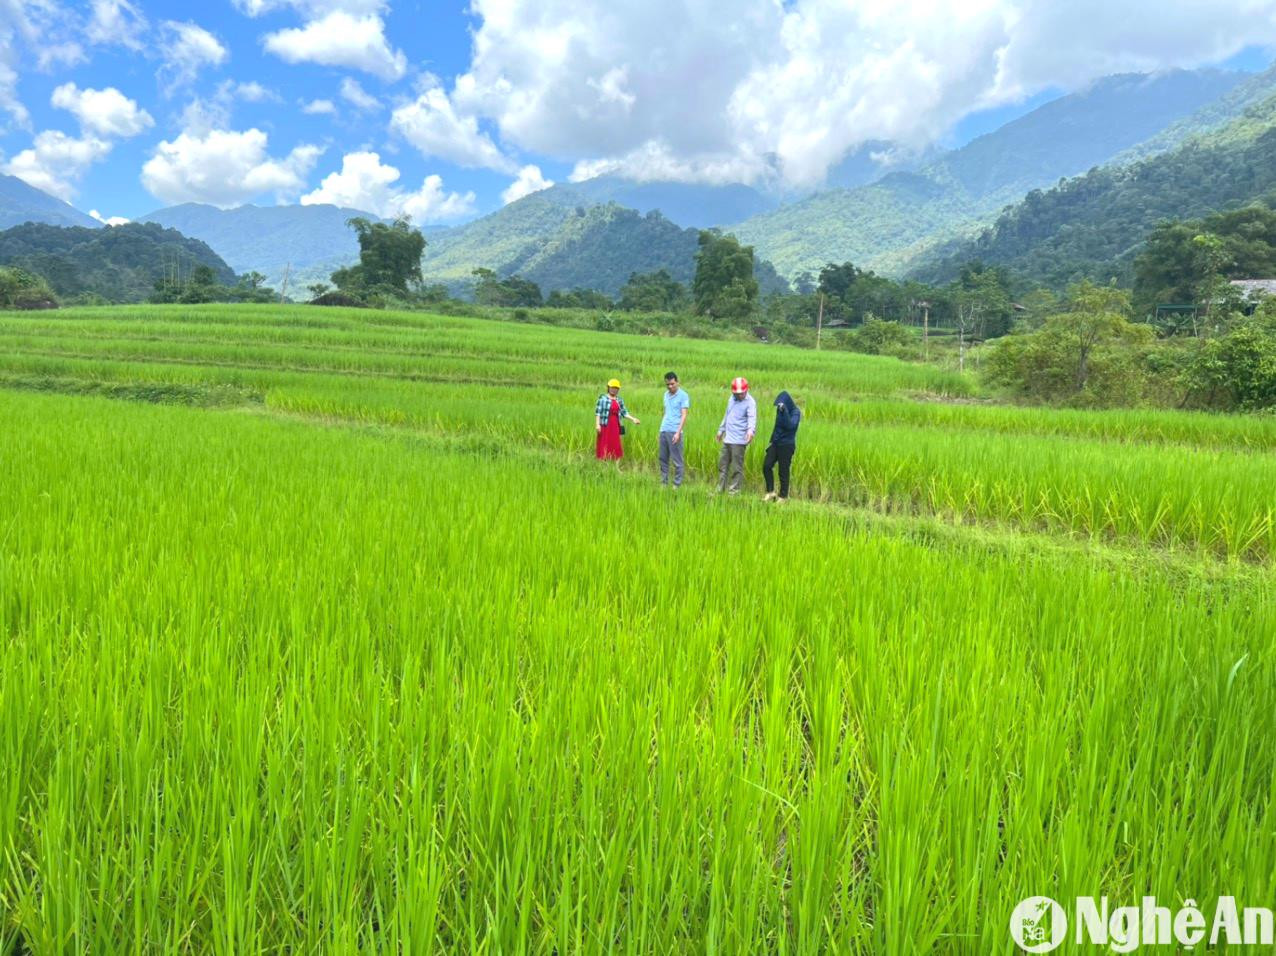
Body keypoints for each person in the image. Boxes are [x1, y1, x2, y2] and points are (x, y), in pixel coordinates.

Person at [715, 376, 756, 494]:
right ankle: (720, 490)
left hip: (739, 441)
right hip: (727, 439)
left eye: (742, 393)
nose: (740, 396)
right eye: (737, 394)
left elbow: (752, 418)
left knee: (736, 468)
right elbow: (726, 415)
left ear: (746, 390)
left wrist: (750, 432)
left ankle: (733, 492)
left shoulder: (750, 402)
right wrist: (720, 430)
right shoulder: (731, 399)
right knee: (723, 466)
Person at [762, 391, 801, 501]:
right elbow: (777, 426)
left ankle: (783, 497)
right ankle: (770, 492)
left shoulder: (796, 412)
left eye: (781, 405)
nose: (779, 407)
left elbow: (790, 426)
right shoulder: (780, 409)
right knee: (766, 466)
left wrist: (785, 412)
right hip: (776, 443)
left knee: (783, 471)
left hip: (787, 445)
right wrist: (771, 441)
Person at [595, 378, 640, 460]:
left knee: (615, 442)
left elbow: (624, 412)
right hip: (605, 424)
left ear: (618, 389)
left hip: (615, 425)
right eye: (612, 387)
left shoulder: (619, 400)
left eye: (616, 388)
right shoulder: (602, 398)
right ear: (608, 387)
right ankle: (603, 461)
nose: (614, 390)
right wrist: (597, 424)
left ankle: (614, 462)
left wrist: (633, 419)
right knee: (604, 442)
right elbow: (598, 412)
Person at [658, 371, 689, 486]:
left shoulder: (683, 395)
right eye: (668, 384)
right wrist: (661, 429)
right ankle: (664, 483)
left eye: (672, 384)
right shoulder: (665, 395)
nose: (670, 386)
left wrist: (678, 432)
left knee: (677, 460)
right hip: (664, 430)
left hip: (674, 431)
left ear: (677, 382)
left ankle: (676, 484)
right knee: (663, 459)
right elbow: (666, 412)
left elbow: (684, 414)